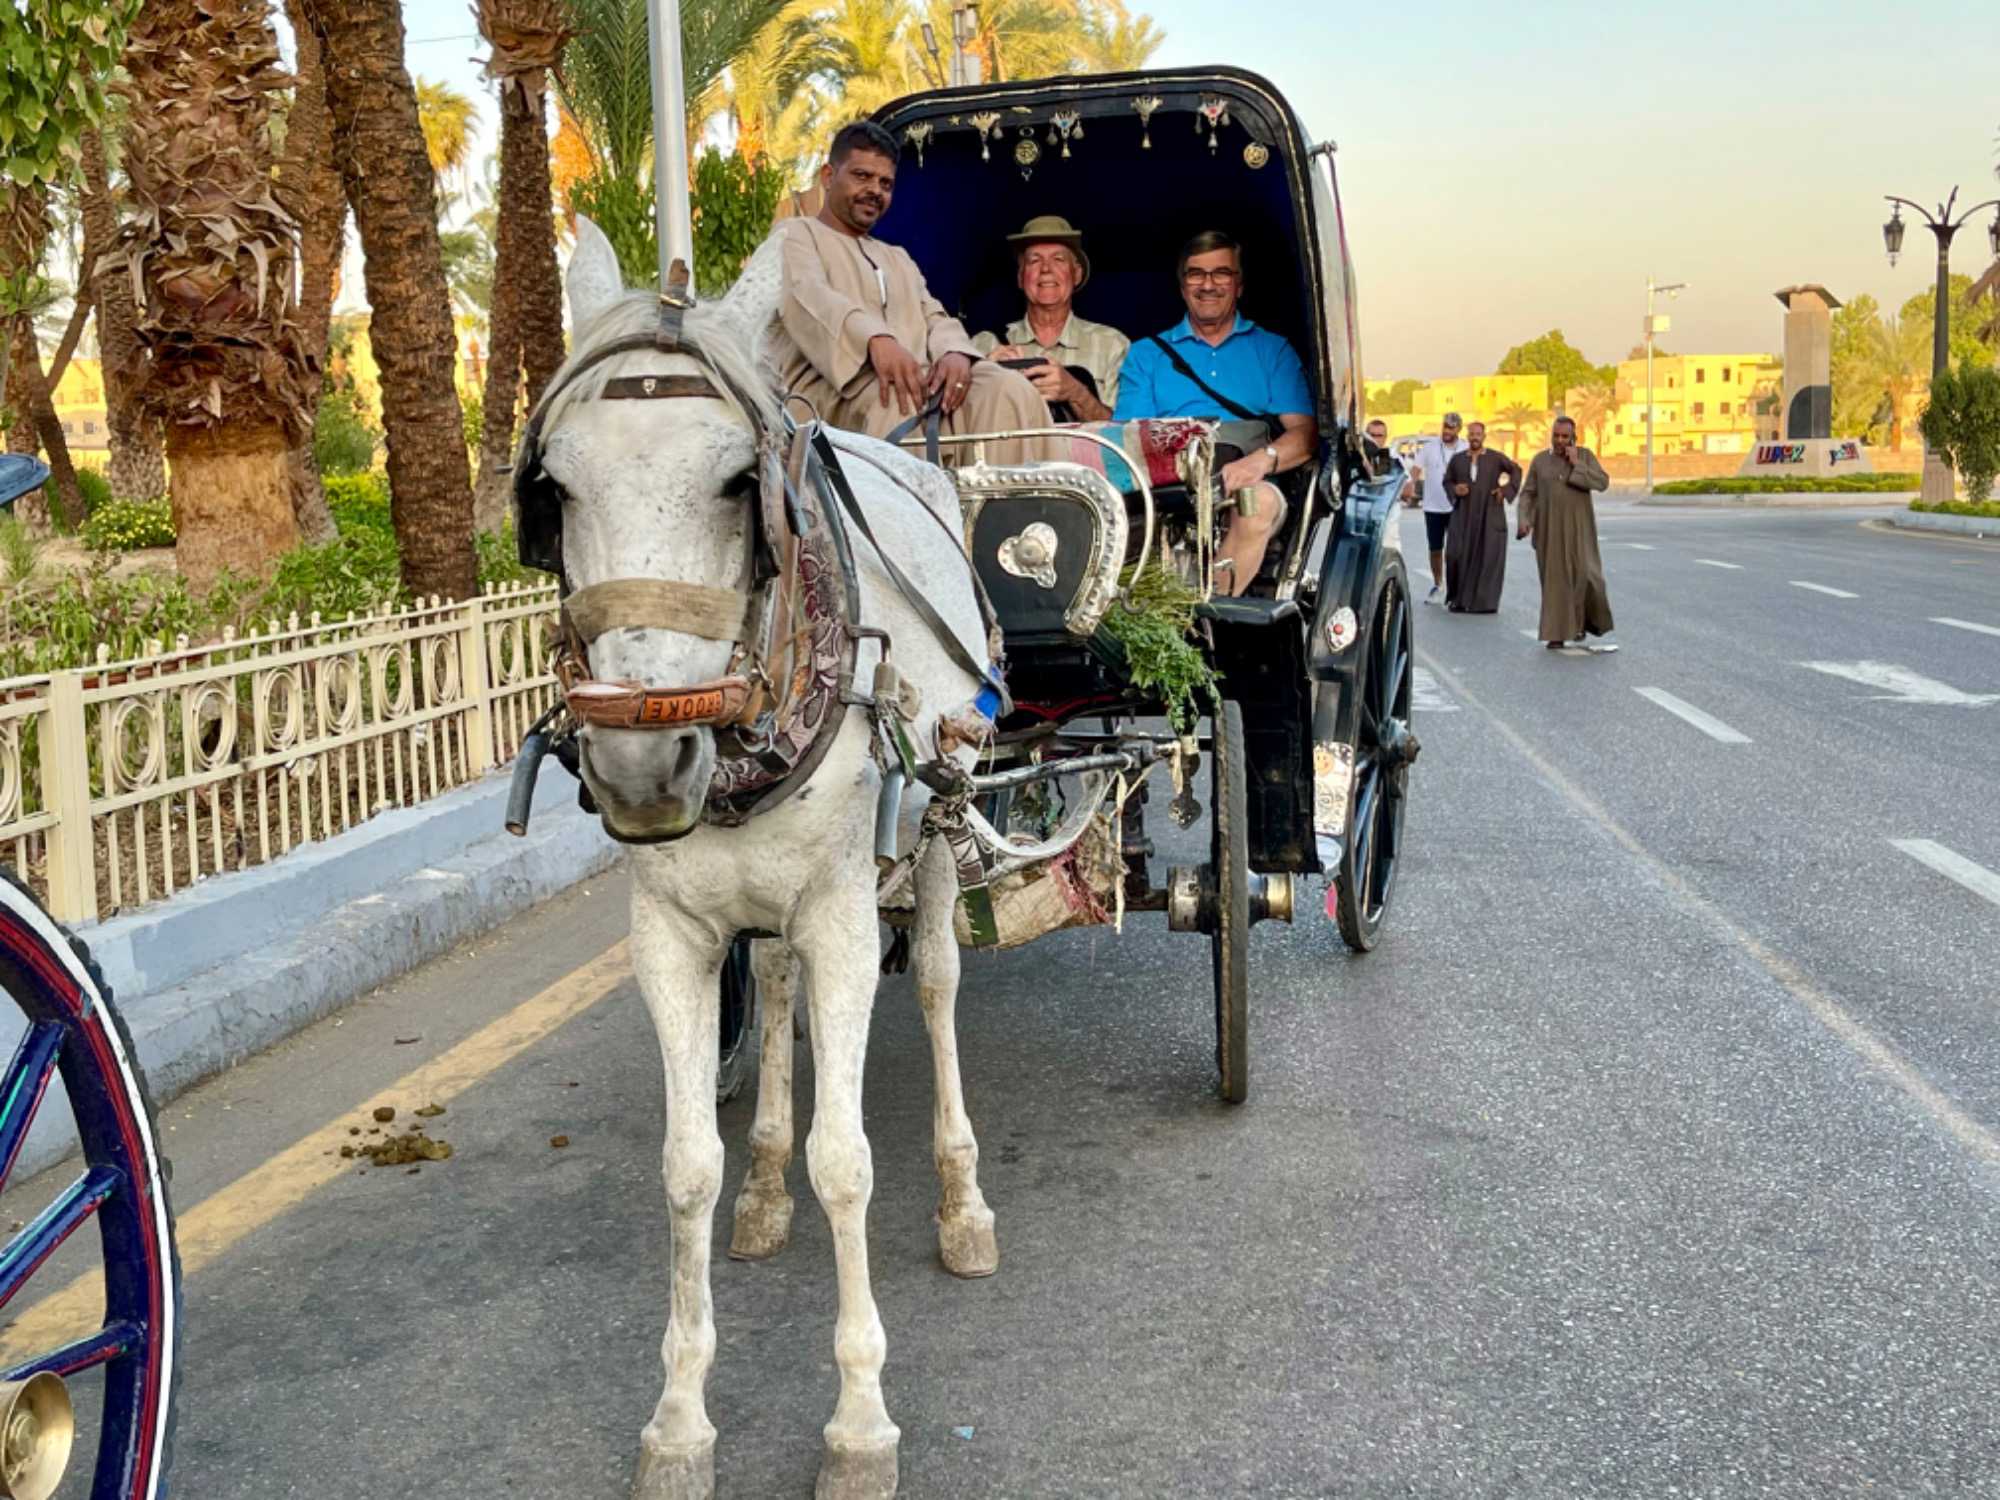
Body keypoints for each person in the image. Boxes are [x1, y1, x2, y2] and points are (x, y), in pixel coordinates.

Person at [767, 121, 1048, 462]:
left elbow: (933, 314)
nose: (874, 190)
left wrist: (954, 352)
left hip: (917, 384)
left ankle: (1016, 496)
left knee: (1007, 389)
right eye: (862, 176)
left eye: (885, 183)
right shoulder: (795, 235)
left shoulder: (896, 257)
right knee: (896, 400)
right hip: (831, 396)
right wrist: (875, 341)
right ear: (828, 176)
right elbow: (809, 296)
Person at [1113, 231, 1317, 597]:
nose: (1208, 285)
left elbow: (1305, 435)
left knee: (1257, 503)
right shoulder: (1146, 355)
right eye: (1196, 274)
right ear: (1182, 287)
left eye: (1221, 273)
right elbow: (1130, 435)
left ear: (1239, 286)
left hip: (1247, 478)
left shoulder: (1272, 351)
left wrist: (1257, 463)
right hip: (1169, 483)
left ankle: (1204, 616)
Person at [973, 215, 1129, 423]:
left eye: (1058, 259)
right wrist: (983, 378)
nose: (1046, 269)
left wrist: (1076, 393)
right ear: (1021, 277)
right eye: (1034, 260)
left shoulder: (1112, 344)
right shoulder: (985, 344)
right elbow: (959, 426)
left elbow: (1123, 432)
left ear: (1076, 274)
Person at [1517, 416, 1616, 650]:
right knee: (1556, 584)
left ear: (1574, 437)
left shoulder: (1585, 456)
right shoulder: (1540, 461)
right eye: (1556, 435)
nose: (1560, 440)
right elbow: (1528, 493)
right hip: (1549, 532)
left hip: (1580, 530)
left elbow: (1602, 483)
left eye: (1565, 436)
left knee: (1590, 578)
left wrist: (1576, 464)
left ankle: (1583, 624)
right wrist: (1524, 520)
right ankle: (1556, 634)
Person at [1439, 421, 1519, 613]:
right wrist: (1455, 489)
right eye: (1472, 434)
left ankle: (1484, 603)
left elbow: (1516, 470)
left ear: (1484, 436)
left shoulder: (1495, 458)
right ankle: (1458, 600)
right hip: (1463, 514)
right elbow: (1447, 481)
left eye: (1478, 434)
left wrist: (1505, 491)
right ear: (1467, 436)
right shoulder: (1458, 459)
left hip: (1489, 513)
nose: (1475, 437)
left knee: (1487, 556)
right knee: (1455, 553)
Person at [1400, 412, 1467, 604]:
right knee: (1435, 549)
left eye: (1451, 428)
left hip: (1457, 507)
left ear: (1458, 429)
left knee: (1456, 550)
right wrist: (1410, 484)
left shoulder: (1464, 447)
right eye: (1445, 426)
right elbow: (1416, 469)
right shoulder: (1430, 447)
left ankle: (1456, 589)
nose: (1447, 431)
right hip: (1433, 507)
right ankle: (1438, 584)